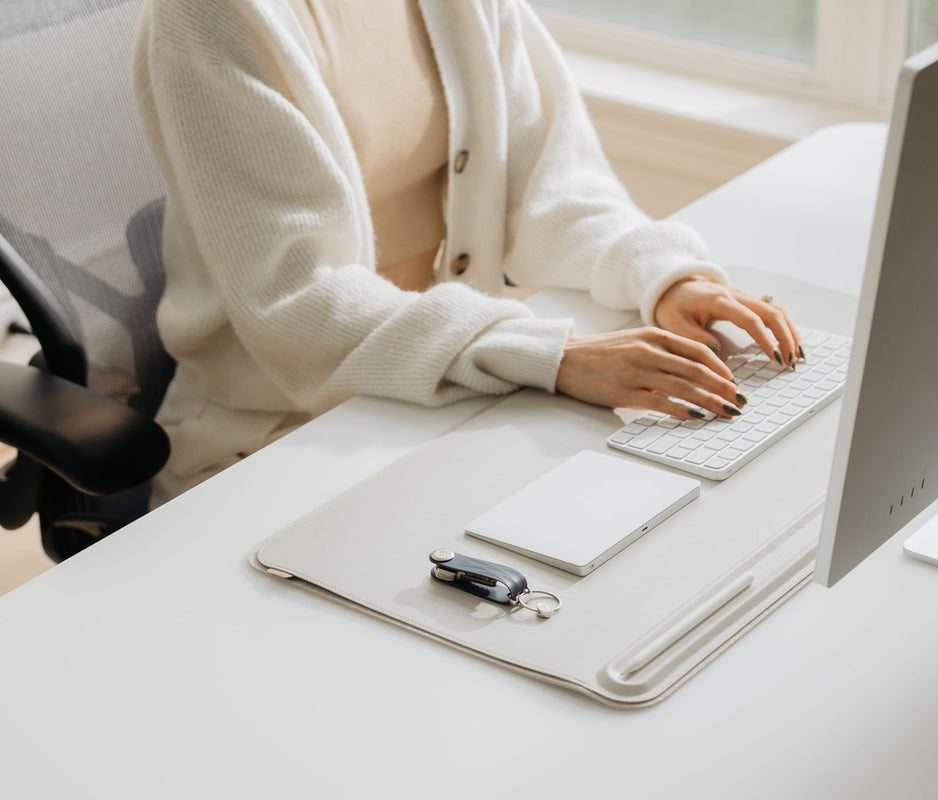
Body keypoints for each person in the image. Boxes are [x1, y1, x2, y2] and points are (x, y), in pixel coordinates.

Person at [131, 0, 803, 503]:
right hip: (284, 430)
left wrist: (660, 273)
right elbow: (300, 301)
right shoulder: (207, 14)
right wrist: (552, 355)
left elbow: (553, 186)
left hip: (453, 391)